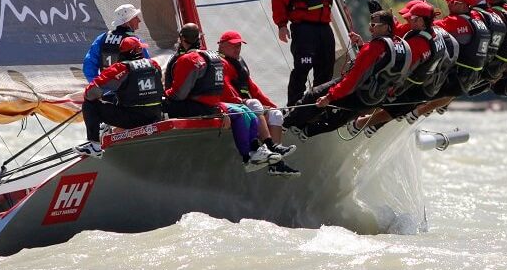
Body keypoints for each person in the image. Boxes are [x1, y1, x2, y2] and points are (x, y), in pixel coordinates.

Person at [272, 0, 378, 106]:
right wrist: (282, 25)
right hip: (303, 30)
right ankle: (293, 106)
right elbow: (278, 2)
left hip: (324, 30)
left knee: (325, 70)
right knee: (302, 68)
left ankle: (316, 106)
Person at [165, 23, 282, 172]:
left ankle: (254, 152)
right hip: (205, 105)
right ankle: (250, 155)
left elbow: (179, 93)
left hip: (202, 105)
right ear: (200, 38)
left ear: (182, 39)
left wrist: (164, 98)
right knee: (243, 111)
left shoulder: (191, 58)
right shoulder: (209, 57)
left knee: (247, 112)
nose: (238, 49)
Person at [282, 10, 409, 138]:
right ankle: (306, 132)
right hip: (372, 99)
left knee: (313, 95)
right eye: (370, 24)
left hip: (357, 91)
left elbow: (352, 80)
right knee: (335, 118)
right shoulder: (398, 46)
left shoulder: (374, 48)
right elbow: (381, 63)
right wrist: (361, 45)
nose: (370, 29)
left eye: (373, 25)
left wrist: (329, 97)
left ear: (386, 27)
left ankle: (284, 124)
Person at [349, 0, 458, 137]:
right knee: (397, 104)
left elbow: (394, 58)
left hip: (413, 85)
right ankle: (371, 123)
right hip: (429, 85)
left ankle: (361, 122)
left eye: (409, 17)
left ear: (419, 20)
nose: (406, 19)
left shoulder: (416, 37)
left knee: (386, 96)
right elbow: (396, 31)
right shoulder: (431, 30)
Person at [217, 30, 299, 176]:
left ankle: (276, 164)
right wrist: (241, 101)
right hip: (233, 105)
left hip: (246, 103)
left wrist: (273, 106)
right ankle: (270, 146)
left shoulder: (238, 63)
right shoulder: (220, 62)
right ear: (222, 46)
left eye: (239, 46)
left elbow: (253, 88)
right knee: (255, 104)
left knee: (276, 114)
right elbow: (225, 88)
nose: (238, 49)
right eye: (233, 45)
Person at [74, 37, 163, 158]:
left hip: (133, 119)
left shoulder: (121, 68)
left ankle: (95, 146)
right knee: (119, 95)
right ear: (135, 52)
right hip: (156, 116)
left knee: (90, 104)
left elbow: (91, 92)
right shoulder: (154, 64)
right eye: (140, 49)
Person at [82, 4, 151, 84]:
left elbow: (89, 64)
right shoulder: (134, 41)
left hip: (108, 89)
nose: (139, 20)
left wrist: (96, 85)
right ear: (127, 21)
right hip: (128, 90)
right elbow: (147, 66)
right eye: (135, 17)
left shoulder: (102, 38)